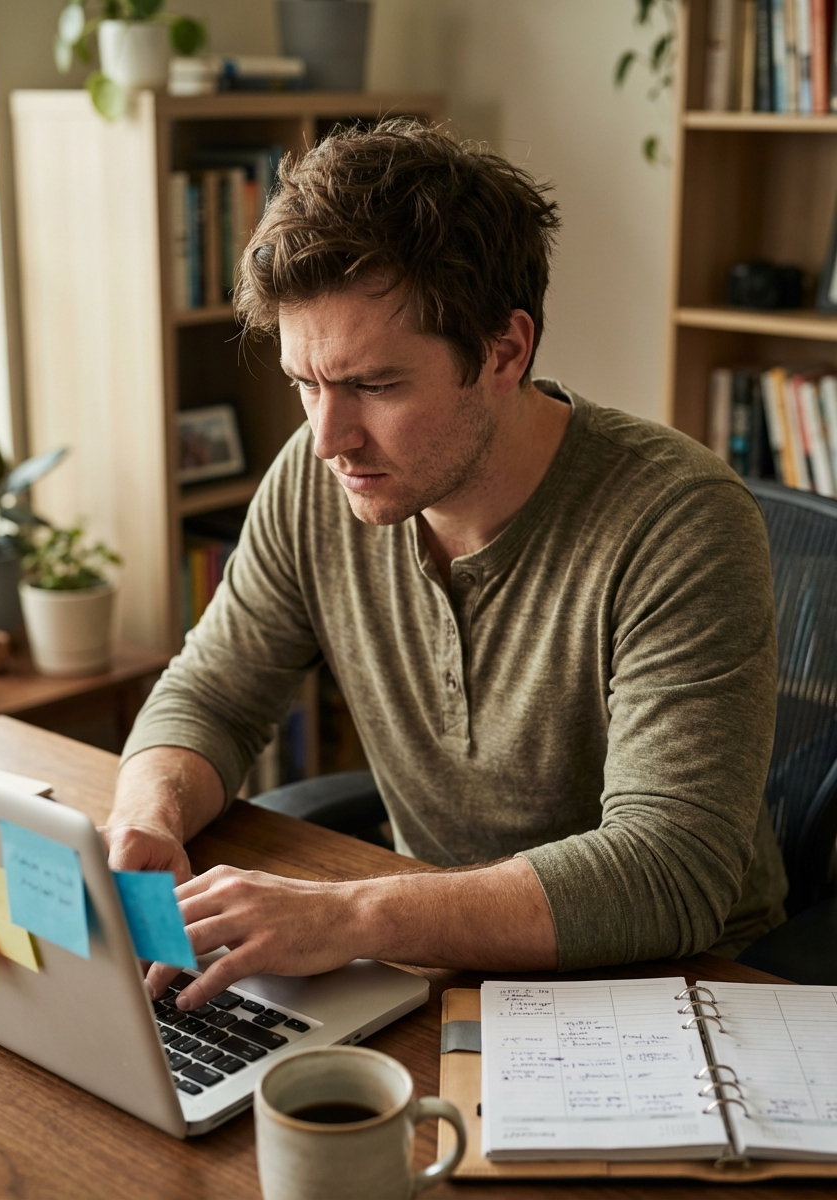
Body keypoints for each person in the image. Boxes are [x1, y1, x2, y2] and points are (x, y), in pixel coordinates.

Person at [104, 120, 787, 1012]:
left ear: (505, 350)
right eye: (306, 383)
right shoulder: (318, 488)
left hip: (676, 992)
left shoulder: (678, 519)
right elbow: (213, 696)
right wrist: (150, 809)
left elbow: (671, 868)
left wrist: (349, 916)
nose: (328, 440)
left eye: (375, 387)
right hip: (441, 964)